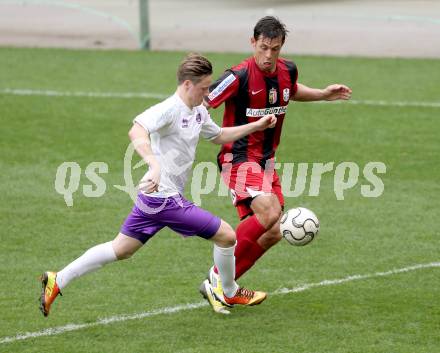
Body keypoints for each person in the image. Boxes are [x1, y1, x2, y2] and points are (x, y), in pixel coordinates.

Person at [39, 53, 278, 317]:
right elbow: (137, 129)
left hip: (152, 201)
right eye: (203, 88)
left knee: (121, 249)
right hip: (165, 200)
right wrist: (153, 164)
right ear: (187, 84)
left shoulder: (198, 111)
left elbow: (219, 135)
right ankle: (229, 291)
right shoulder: (170, 109)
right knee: (227, 236)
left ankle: (57, 279)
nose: (208, 93)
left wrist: (256, 125)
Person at [201, 16, 352, 313]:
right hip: (238, 157)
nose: (269, 56)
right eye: (264, 47)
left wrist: (322, 94)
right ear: (253, 42)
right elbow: (201, 102)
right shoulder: (238, 76)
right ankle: (219, 281)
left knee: (274, 230)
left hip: (267, 161)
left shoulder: (287, 70)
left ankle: (225, 286)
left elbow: (289, 91)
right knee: (270, 212)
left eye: (275, 49)